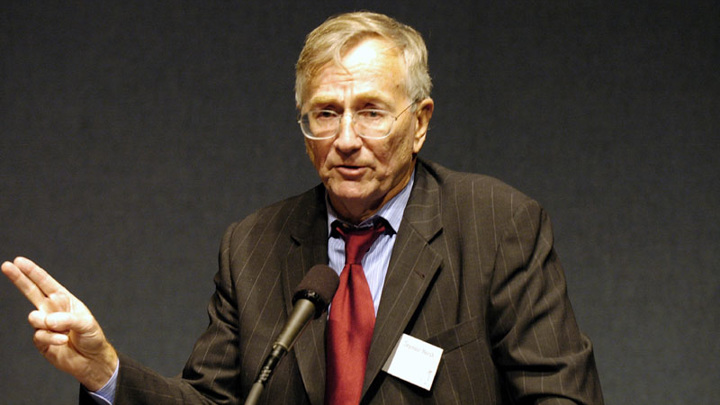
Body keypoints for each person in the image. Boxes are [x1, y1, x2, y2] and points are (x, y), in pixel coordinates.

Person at [2, 11, 604, 405]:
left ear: (419, 123)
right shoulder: (253, 246)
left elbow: (562, 396)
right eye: (325, 113)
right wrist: (104, 370)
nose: (345, 139)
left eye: (371, 112)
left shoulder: (497, 224)